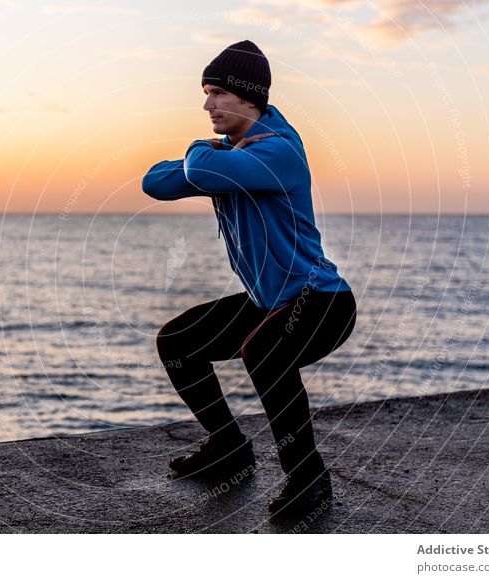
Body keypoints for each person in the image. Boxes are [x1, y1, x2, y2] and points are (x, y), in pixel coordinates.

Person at [141, 40, 357, 516]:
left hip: (320, 301)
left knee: (263, 351)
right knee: (178, 342)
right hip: (270, 303)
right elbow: (155, 183)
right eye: (206, 92)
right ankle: (229, 448)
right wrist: (217, 152)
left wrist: (208, 150)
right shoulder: (234, 156)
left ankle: (308, 478)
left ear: (249, 98)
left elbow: (196, 167)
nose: (207, 104)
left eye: (216, 92)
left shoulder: (278, 152)